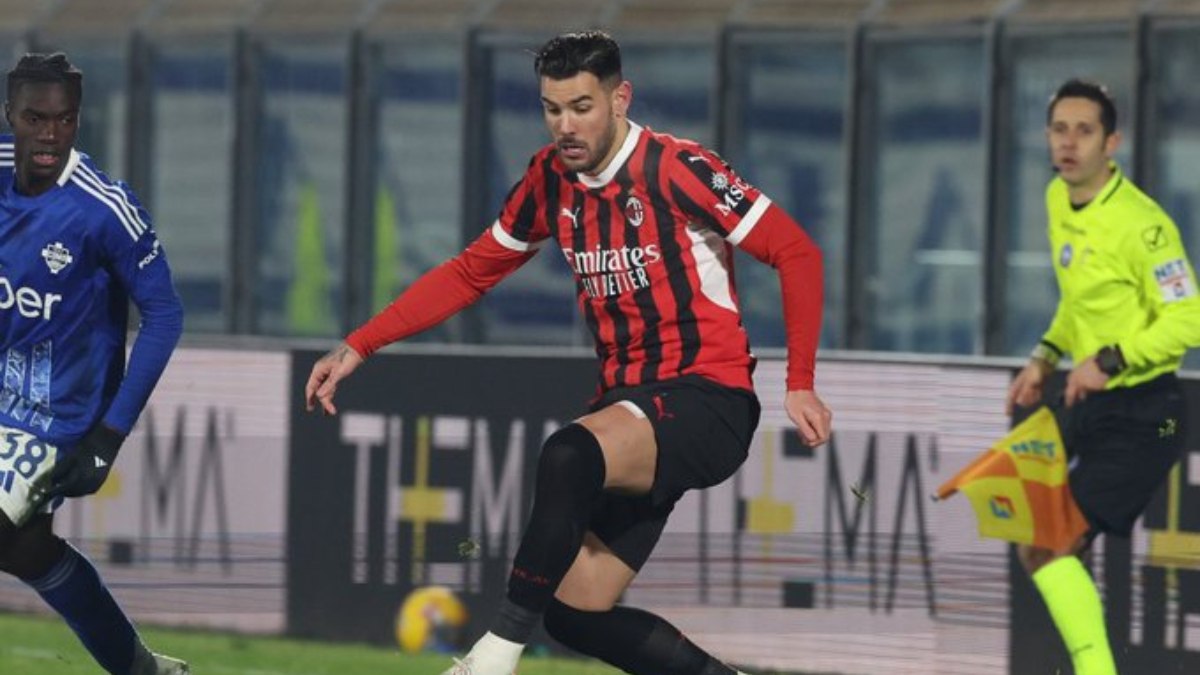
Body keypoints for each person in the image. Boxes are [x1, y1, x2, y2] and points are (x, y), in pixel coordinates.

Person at [306, 30, 831, 675]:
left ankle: (492, 658)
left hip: (708, 398)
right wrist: (360, 344)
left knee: (569, 454)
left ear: (619, 99)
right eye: (552, 109)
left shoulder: (678, 168)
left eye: (581, 106)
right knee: (576, 613)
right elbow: (471, 272)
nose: (565, 125)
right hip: (631, 404)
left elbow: (796, 252)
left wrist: (800, 381)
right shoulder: (549, 179)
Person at [0, 53, 188, 675]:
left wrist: (108, 436)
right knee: (26, 550)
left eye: (65, 120)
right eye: (35, 119)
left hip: (54, 418)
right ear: (10, 116)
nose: (50, 135)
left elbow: (164, 315)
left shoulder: (104, 208)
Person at [1006, 79, 1200, 675]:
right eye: (1059, 129)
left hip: (1148, 413)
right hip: (1089, 401)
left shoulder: (1143, 225)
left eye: (1084, 131)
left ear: (1111, 143)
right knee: (1031, 532)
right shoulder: (1056, 199)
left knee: (1049, 543)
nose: (1069, 143)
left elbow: (1189, 318)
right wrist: (1045, 356)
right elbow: (1077, 302)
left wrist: (1110, 360)